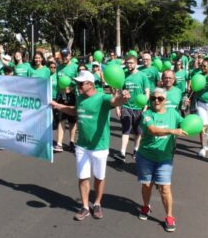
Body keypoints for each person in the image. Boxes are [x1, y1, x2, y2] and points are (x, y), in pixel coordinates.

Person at [52, 71, 130, 221]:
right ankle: (85, 207)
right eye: (77, 83)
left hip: (100, 146)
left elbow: (116, 101)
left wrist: (123, 97)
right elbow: (76, 111)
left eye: (81, 83)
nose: (78, 86)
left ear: (90, 84)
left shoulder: (102, 97)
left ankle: (98, 203)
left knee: (99, 178)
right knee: (83, 177)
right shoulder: (80, 98)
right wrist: (58, 106)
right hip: (82, 146)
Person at [136, 88, 187, 232]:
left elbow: (185, 124)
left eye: (160, 98)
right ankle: (146, 206)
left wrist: (199, 126)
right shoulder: (147, 114)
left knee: (165, 188)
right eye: (153, 98)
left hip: (165, 157)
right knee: (147, 185)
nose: (156, 101)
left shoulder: (173, 114)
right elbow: (153, 130)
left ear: (165, 101)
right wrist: (173, 131)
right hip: (146, 156)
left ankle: (169, 216)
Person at [115, 55, 150, 162]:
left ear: (135, 63)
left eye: (130, 63)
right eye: (127, 63)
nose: (128, 65)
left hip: (139, 108)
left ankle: (136, 149)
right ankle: (122, 153)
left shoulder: (142, 76)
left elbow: (147, 92)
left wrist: (145, 105)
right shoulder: (123, 75)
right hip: (126, 106)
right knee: (126, 129)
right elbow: (118, 91)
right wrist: (117, 106)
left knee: (137, 131)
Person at [55, 47, 78, 152]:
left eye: (66, 55)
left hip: (72, 96)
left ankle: (72, 141)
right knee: (61, 119)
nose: (64, 57)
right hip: (61, 96)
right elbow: (56, 81)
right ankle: (59, 143)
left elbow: (79, 82)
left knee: (72, 120)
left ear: (70, 55)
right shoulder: (58, 68)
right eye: (63, 55)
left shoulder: (75, 67)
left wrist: (71, 88)